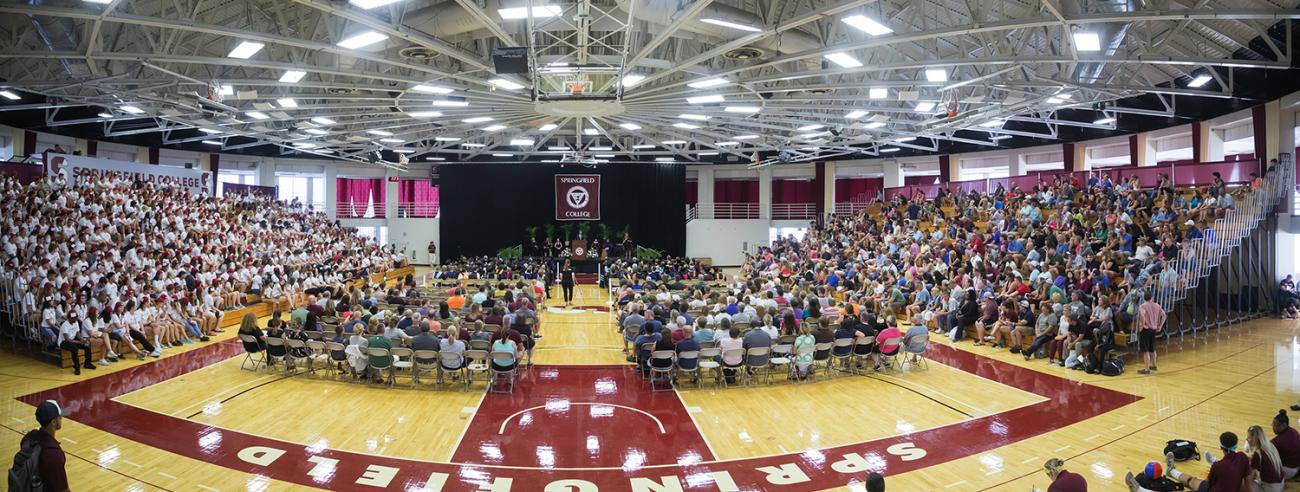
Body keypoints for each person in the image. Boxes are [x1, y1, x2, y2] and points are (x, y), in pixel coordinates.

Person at [1164, 432, 1251, 492]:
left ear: (1221, 447)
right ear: (1236, 445)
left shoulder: (1217, 466)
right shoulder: (1242, 457)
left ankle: (1171, 471)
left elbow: (1208, 483)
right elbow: (1247, 480)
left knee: (1192, 480)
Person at [16, 400, 69, 492]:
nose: (61, 418)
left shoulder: (28, 437)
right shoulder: (54, 454)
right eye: (59, 417)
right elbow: (62, 489)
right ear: (53, 422)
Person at [1246, 424, 1284, 492]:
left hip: (1270, 488)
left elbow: (1249, 478)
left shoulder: (1257, 454)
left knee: (1243, 482)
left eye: (1248, 437)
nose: (1246, 439)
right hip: (1280, 483)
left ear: (1254, 439)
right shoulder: (1270, 445)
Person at [1137, 290, 1164, 374]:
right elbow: (1164, 315)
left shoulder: (1142, 306)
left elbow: (1142, 315)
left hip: (1146, 329)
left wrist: (1142, 325)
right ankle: (1154, 365)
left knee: (1146, 350)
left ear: (1144, 297)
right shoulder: (1157, 305)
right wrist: (1160, 326)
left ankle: (1147, 369)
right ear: (1152, 297)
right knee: (1152, 348)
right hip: (1154, 329)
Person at [1272, 410, 1300, 479]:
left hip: (1289, 470)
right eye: (1272, 424)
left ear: (1284, 425)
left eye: (1275, 425)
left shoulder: (1278, 441)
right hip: (1297, 464)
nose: (1273, 427)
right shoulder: (1293, 430)